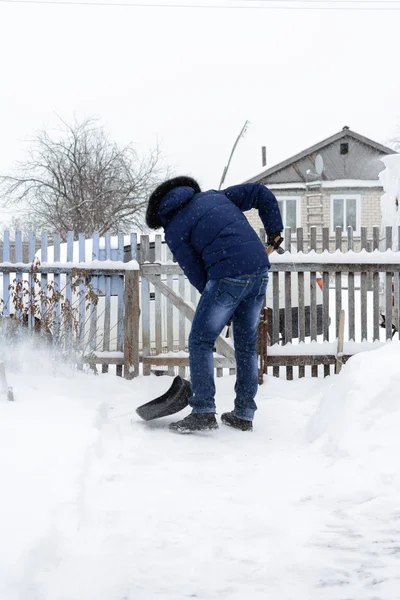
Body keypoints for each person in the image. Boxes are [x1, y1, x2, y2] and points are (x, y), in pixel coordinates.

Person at [145, 176, 283, 433]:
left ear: (162, 212)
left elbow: (197, 273)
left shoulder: (174, 229)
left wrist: (222, 301)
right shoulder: (215, 196)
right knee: (245, 346)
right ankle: (243, 413)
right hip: (259, 269)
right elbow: (260, 192)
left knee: (200, 340)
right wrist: (275, 231)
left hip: (228, 273)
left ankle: (203, 410)